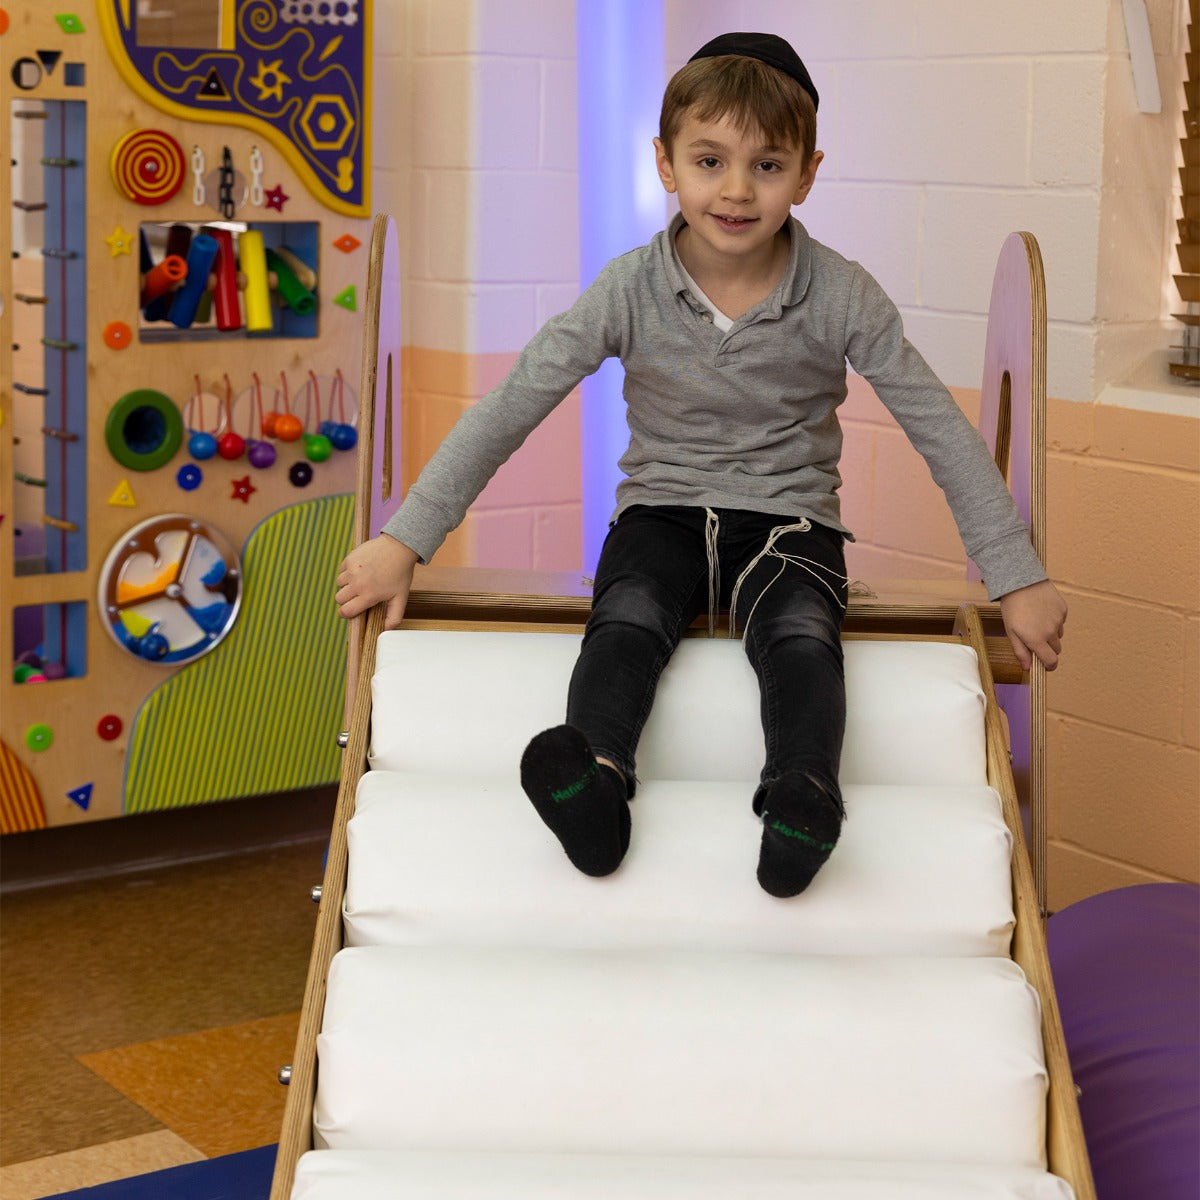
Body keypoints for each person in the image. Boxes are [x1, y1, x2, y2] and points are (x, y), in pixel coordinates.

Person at [335, 32, 1067, 897]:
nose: (736, 189)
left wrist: (1014, 573)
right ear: (666, 164)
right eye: (710, 160)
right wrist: (405, 539)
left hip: (793, 522)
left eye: (767, 165)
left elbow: (940, 429)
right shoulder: (630, 288)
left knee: (801, 633)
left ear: (807, 174)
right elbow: (513, 404)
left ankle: (803, 794)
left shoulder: (841, 295)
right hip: (664, 511)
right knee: (628, 615)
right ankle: (597, 782)